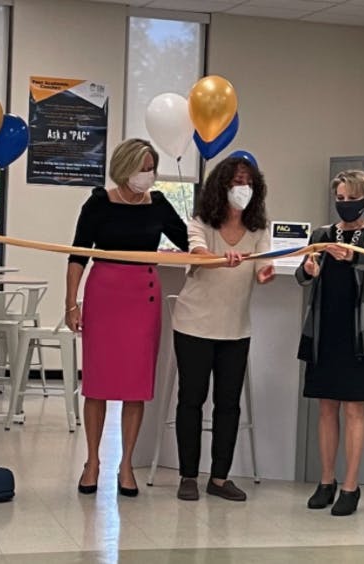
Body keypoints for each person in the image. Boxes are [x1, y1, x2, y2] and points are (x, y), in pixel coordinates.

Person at [65, 138, 188, 497]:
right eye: (141, 168)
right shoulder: (99, 203)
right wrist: (72, 303)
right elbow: (77, 255)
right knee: (98, 385)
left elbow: (186, 240)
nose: (146, 175)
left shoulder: (160, 204)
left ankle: (126, 464)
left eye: (151, 168)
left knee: (136, 387)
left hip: (142, 296)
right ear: (123, 168)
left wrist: (216, 251)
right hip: (105, 294)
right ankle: (92, 462)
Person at [171, 156, 274, 502]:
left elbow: (263, 264)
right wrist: (215, 257)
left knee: (228, 404)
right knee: (191, 399)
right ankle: (188, 476)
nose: (240, 188)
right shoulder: (201, 221)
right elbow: (197, 250)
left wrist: (264, 273)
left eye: (246, 182)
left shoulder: (260, 227)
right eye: (234, 182)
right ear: (220, 186)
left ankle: (219, 478)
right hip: (193, 325)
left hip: (235, 331)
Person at [296, 170, 364, 517]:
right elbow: (301, 275)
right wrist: (309, 268)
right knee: (325, 408)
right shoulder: (321, 234)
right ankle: (326, 481)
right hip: (325, 330)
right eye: (339, 198)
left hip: (360, 332)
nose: (344, 205)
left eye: (351, 198)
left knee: (354, 408)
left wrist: (348, 255)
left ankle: (350, 486)